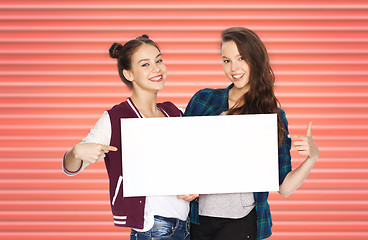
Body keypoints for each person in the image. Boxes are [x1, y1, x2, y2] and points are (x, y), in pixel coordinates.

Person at [184, 27, 320, 240]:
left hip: (242, 220)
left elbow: (283, 187)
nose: (233, 68)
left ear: (256, 59)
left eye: (241, 58)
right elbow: (181, 155)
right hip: (197, 218)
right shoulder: (204, 100)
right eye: (226, 60)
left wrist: (312, 157)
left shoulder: (271, 115)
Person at [62, 35, 197, 240]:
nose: (156, 68)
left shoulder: (175, 112)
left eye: (158, 60)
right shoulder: (115, 118)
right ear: (129, 74)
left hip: (187, 226)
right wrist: (76, 151)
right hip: (155, 229)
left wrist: (194, 187)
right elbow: (71, 166)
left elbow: (189, 162)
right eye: (145, 64)